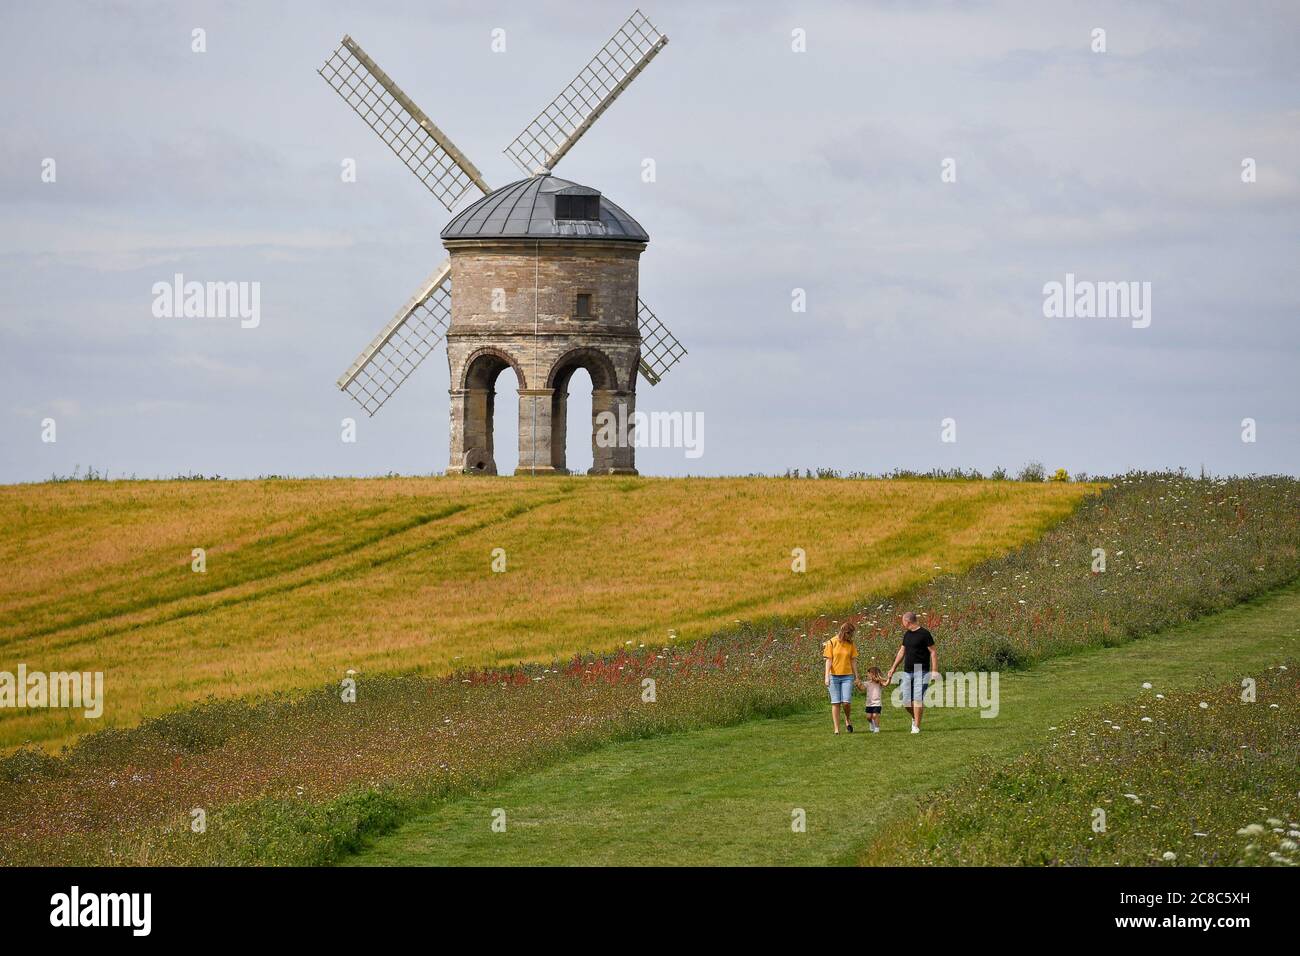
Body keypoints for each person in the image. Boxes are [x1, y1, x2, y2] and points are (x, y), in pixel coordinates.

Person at [885, 611, 936, 734]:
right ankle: (915, 717)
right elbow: (901, 652)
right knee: (906, 701)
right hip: (907, 671)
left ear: (907, 621)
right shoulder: (907, 634)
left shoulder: (925, 634)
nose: (902, 623)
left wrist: (934, 671)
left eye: (903, 621)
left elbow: (933, 652)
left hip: (921, 670)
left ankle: (916, 727)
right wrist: (893, 668)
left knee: (917, 699)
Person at [822, 621, 860, 734]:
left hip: (847, 676)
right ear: (845, 632)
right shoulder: (831, 642)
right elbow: (828, 661)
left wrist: (857, 676)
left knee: (846, 702)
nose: (851, 636)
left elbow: (853, 661)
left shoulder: (851, 644)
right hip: (833, 677)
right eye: (850, 634)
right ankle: (837, 729)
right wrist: (826, 677)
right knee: (836, 702)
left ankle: (847, 719)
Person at [856, 666, 888, 732]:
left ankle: (877, 728)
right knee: (868, 717)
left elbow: (886, 684)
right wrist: (858, 685)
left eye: (869, 674)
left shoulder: (879, 683)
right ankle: (871, 723)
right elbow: (861, 688)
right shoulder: (867, 683)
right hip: (869, 703)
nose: (868, 675)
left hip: (877, 703)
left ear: (874, 674)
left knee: (875, 715)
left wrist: (889, 678)